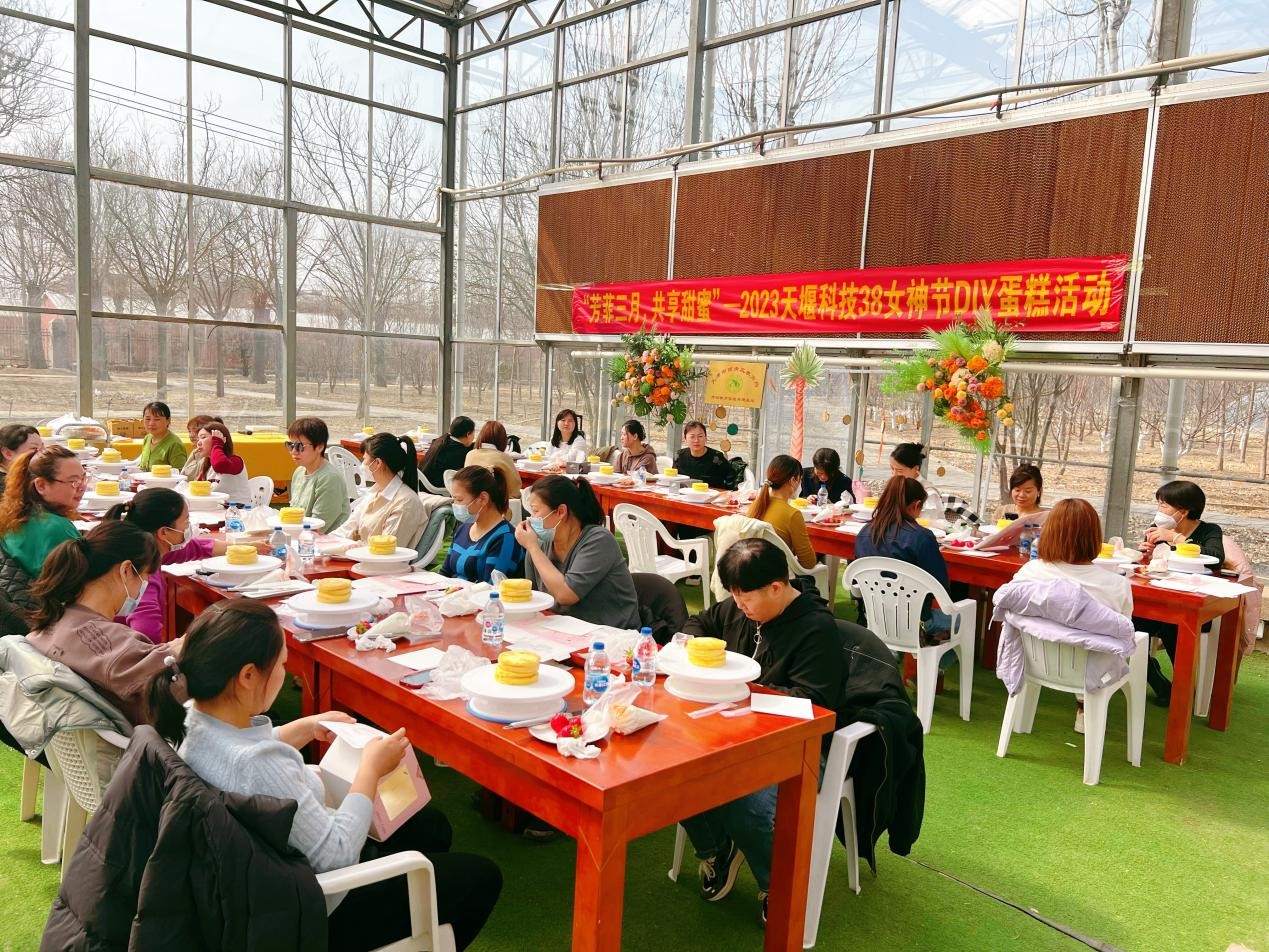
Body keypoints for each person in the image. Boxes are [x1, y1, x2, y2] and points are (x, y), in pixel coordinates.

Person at [152, 600, 501, 951]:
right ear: (247, 676)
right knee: (481, 878)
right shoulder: (258, 764)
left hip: (253, 882)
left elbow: (237, 752)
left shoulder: (188, 719)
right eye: (282, 664)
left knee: (430, 826)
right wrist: (370, 770)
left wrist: (304, 727)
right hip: (310, 909)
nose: (284, 673)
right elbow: (336, 855)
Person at [679, 539, 845, 923]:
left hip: (798, 746)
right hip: (736, 732)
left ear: (776, 587)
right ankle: (716, 849)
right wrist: (690, 642)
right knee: (673, 773)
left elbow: (814, 703)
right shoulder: (740, 608)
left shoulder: (816, 629)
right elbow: (700, 622)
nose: (738, 605)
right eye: (733, 595)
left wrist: (746, 694)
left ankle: (777, 885)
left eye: (746, 597)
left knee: (744, 799)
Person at [25, 520, 171, 726]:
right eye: (146, 576)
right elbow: (176, 687)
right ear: (126, 571)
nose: (145, 586)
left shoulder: (49, 623)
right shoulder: (117, 646)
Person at [1011, 497, 1133, 733]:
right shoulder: (1117, 585)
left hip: (1034, 662)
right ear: (1095, 536)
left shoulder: (1029, 572)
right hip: (1093, 670)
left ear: (1048, 532)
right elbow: (1123, 630)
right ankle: (1084, 708)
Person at [102, 487, 249, 643]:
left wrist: (247, 547)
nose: (189, 527)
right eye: (186, 521)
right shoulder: (143, 575)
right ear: (164, 532)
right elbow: (146, 635)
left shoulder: (140, 550)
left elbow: (194, 548)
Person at [1135, 480, 1225, 705]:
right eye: (1159, 503)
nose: (1159, 510)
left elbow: (1216, 558)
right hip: (1157, 601)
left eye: (1164, 505)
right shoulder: (1157, 528)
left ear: (1183, 511)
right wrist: (1146, 553)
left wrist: (1175, 538)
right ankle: (1157, 680)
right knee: (1125, 625)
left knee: (1173, 626)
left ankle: (1183, 691)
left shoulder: (1209, 530)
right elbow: (1151, 567)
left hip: (1192, 607)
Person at [514, 474, 639, 629]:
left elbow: (566, 595)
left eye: (535, 511)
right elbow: (535, 601)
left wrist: (532, 548)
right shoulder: (539, 545)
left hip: (611, 635)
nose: (530, 519)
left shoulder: (599, 540)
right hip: (562, 631)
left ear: (561, 511)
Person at [855, 475, 952, 633]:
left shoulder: (864, 533)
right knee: (966, 619)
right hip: (916, 622)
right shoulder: (922, 537)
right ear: (916, 505)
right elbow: (941, 588)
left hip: (875, 618)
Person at [0, 444, 84, 577]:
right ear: (41, 485)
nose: (82, 487)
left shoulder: (14, 514)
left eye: (83, 478)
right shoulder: (57, 529)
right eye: (73, 481)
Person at [335, 433, 426, 546]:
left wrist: (337, 547)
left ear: (377, 463)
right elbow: (348, 528)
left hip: (370, 556)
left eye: (364, 459)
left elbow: (385, 550)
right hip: (355, 553)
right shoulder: (374, 493)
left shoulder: (405, 503)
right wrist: (324, 542)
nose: (362, 465)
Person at [441, 465, 523, 583]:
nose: (455, 504)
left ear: (483, 498)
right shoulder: (463, 528)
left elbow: (491, 587)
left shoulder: (506, 538)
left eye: (459, 500)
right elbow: (445, 572)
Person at [746, 454, 816, 570]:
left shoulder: (755, 506)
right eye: (800, 479)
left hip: (751, 571)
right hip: (778, 575)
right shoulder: (792, 514)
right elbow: (808, 563)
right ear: (793, 480)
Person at [286, 416, 350, 532]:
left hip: (327, 539)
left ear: (320, 447)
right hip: (303, 535)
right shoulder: (299, 472)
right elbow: (293, 515)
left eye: (299, 446)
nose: (293, 452)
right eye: (290, 445)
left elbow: (317, 528)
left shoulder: (330, 479)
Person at [193, 421, 251, 505]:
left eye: (203, 437)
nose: (198, 443)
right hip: (216, 509)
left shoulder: (236, 461)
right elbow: (197, 489)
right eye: (198, 439)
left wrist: (217, 444)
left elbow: (219, 465)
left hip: (237, 510)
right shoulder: (208, 466)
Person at [464, 420, 521, 499]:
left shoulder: (470, 455)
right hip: (500, 503)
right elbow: (515, 488)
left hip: (473, 500)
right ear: (502, 439)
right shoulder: (504, 458)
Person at [672, 421, 733, 488]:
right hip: (684, 493)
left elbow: (730, 476)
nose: (696, 440)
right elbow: (674, 479)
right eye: (692, 437)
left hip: (711, 493)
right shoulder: (679, 456)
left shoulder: (716, 458)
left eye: (700, 436)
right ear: (685, 439)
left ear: (706, 438)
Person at [420, 416, 475, 489]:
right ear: (468, 434)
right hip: (437, 487)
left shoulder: (441, 440)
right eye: (473, 433)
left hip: (423, 483)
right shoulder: (460, 452)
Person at [135, 401, 189, 472]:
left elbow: (180, 473)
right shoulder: (147, 438)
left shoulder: (175, 445)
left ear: (168, 420)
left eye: (157, 419)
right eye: (147, 419)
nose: (151, 423)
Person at [0, 424, 42, 496]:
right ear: (8, 453)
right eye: (34, 448)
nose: (42, 453)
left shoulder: (28, 474)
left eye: (42, 447)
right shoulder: (5, 487)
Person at [181, 414, 221, 479]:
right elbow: (182, 475)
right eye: (189, 431)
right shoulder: (195, 452)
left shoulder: (212, 457)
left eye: (195, 430)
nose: (191, 435)